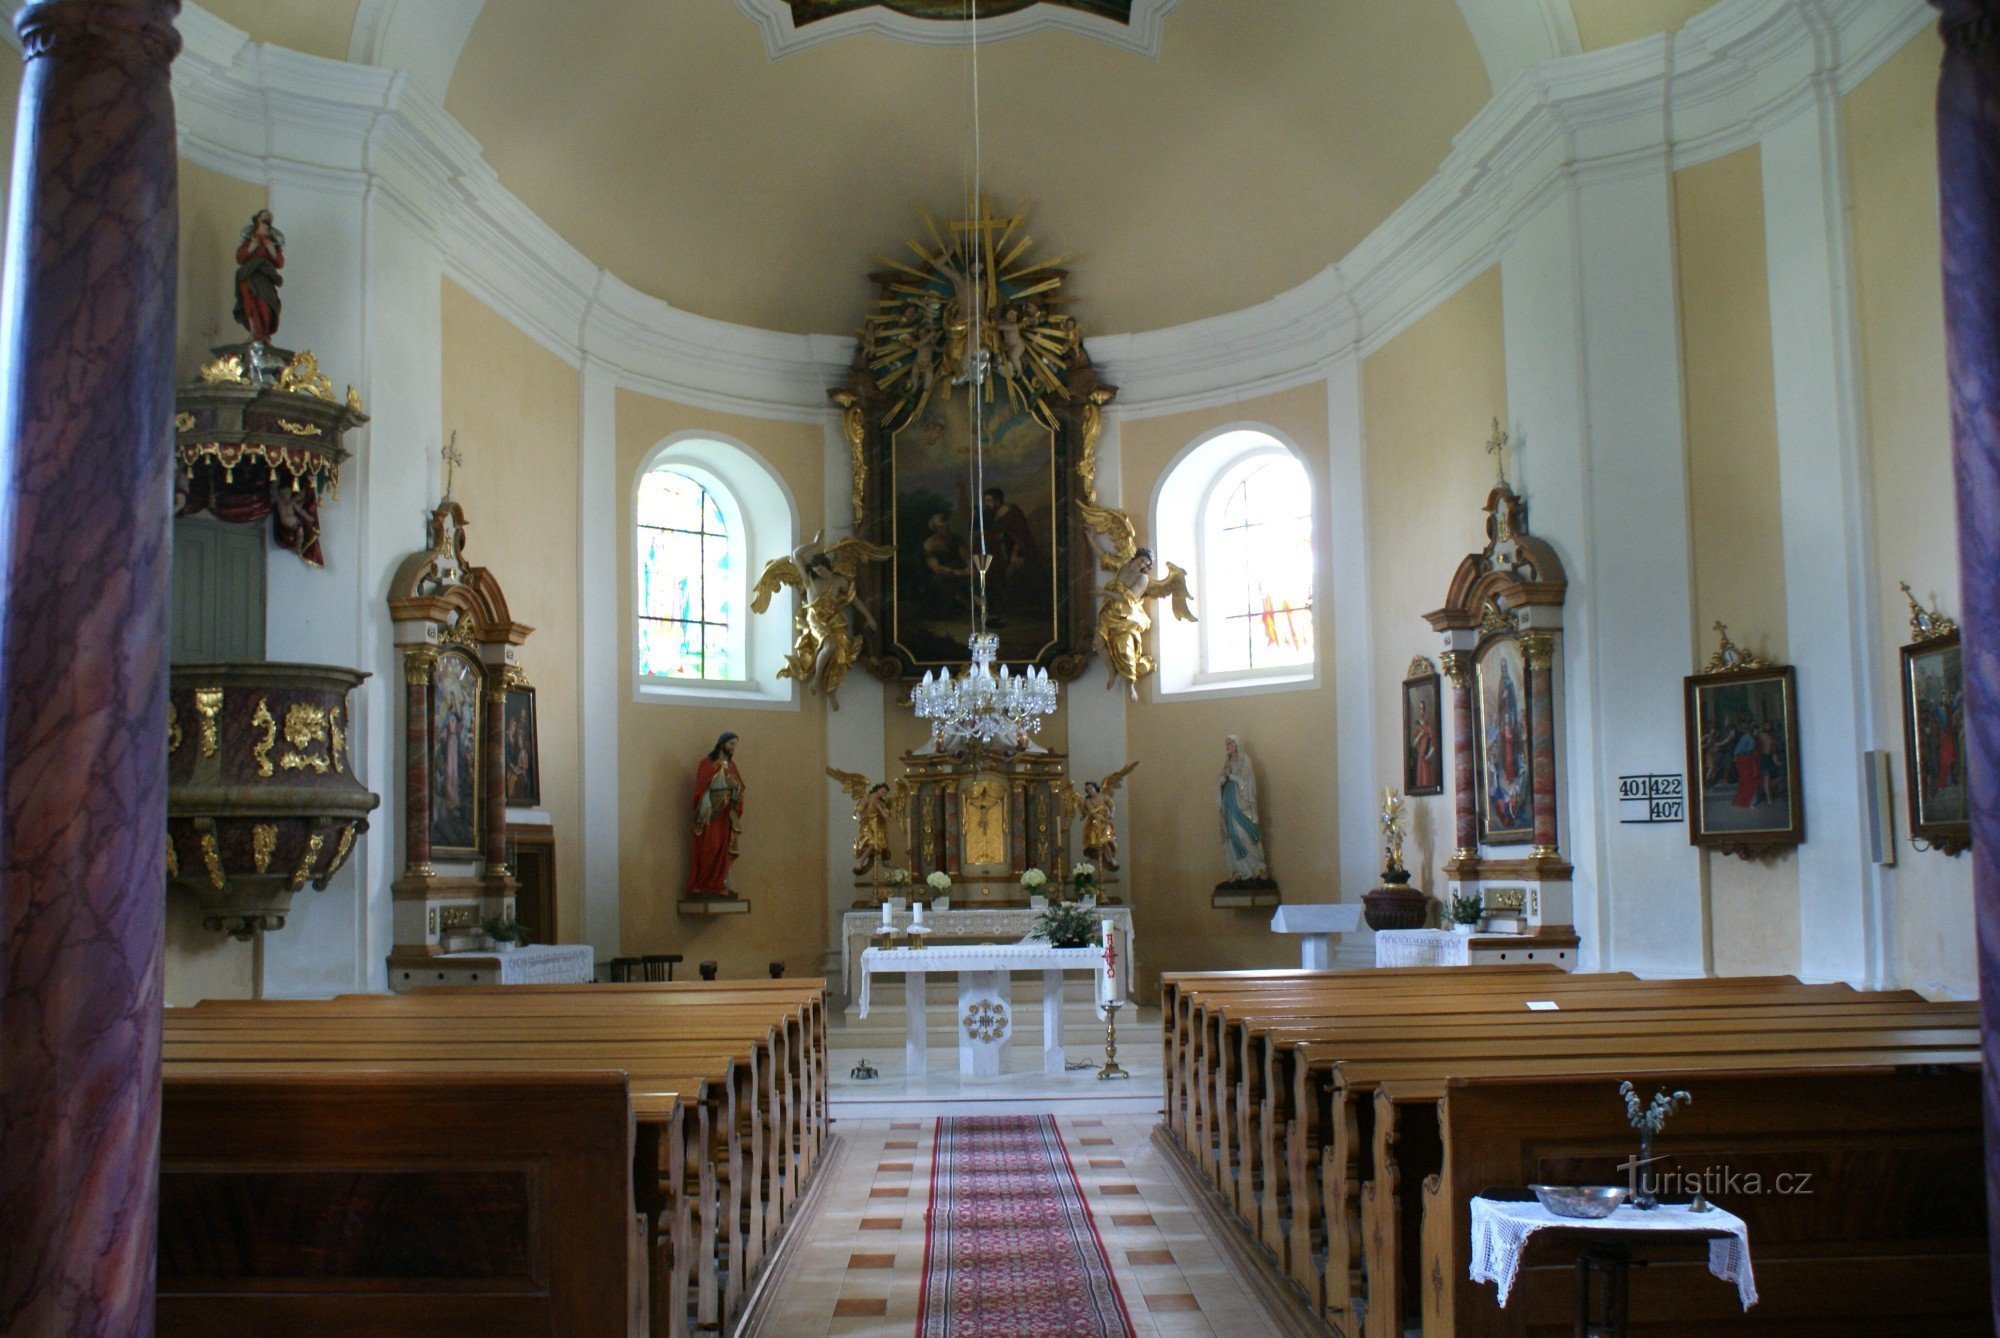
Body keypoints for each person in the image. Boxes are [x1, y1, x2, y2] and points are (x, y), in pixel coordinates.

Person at [689, 732, 745, 896]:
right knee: (710, 847)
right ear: (722, 744)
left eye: (735, 745)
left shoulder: (732, 767)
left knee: (722, 849)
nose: (733, 748)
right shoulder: (707, 763)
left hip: (725, 817)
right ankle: (702, 884)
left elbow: (740, 787)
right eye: (731, 744)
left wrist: (736, 788)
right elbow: (702, 786)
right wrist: (724, 782)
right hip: (710, 815)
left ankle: (719, 884)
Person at [1218, 735, 1269, 881]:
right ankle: (1238, 870)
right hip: (1229, 801)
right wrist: (1222, 779)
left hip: (1241, 803)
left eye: (1230, 743)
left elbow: (1247, 782)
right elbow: (1221, 780)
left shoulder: (1244, 760)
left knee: (1243, 833)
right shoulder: (1226, 762)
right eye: (1226, 744)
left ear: (1236, 745)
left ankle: (1258, 867)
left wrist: (1231, 776)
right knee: (1231, 835)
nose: (1227, 746)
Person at [233, 208, 285, 343]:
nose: (268, 219)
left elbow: (279, 262)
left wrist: (271, 249)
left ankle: (264, 334)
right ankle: (254, 332)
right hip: (249, 275)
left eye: (270, 217)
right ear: (258, 219)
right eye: (265, 216)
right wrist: (252, 246)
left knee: (265, 303)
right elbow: (240, 258)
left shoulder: (274, 239)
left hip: (265, 277)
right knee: (249, 302)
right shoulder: (250, 237)